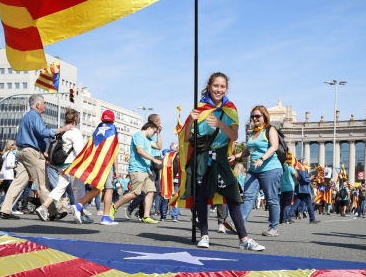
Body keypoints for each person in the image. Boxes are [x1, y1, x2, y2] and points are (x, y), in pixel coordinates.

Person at [176, 72, 264, 251]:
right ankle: (205, 235)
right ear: (209, 86)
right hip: (203, 159)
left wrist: (220, 124)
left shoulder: (231, 109)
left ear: (226, 88)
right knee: (201, 198)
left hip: (222, 159)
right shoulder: (200, 108)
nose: (219, 89)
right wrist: (190, 122)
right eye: (215, 86)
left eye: (222, 86)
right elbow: (186, 139)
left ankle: (244, 239)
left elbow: (234, 135)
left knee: (233, 197)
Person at [0, 94, 73, 220]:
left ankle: (5, 210)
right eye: (44, 103)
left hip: (23, 151)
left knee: (18, 182)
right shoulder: (35, 116)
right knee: (43, 182)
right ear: (38, 105)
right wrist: (62, 129)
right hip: (32, 153)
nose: (45, 105)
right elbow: (42, 132)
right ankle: (51, 212)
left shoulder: (27, 116)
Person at [235, 105, 283, 237]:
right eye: (252, 116)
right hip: (254, 170)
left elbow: (274, 147)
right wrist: (236, 156)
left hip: (270, 169)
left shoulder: (270, 129)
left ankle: (273, 228)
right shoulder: (253, 132)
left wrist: (262, 158)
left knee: (271, 199)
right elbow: (248, 150)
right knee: (248, 196)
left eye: (258, 116)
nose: (255, 118)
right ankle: (240, 224)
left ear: (264, 116)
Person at [65, 109, 119, 225]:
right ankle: (105, 217)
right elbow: (114, 151)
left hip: (96, 164)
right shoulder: (113, 130)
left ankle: (79, 206)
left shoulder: (97, 130)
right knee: (109, 189)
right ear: (113, 120)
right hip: (106, 164)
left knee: (96, 189)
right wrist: (116, 169)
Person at [35, 108, 85, 222]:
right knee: (79, 189)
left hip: (61, 164)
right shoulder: (75, 132)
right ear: (75, 119)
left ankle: (43, 207)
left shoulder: (62, 131)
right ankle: (80, 213)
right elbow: (79, 151)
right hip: (73, 164)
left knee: (59, 187)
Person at [109, 121, 162, 224]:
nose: (154, 134)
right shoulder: (138, 135)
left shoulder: (148, 139)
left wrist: (159, 133)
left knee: (151, 192)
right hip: (137, 169)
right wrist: (154, 159)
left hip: (147, 169)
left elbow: (159, 146)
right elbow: (140, 151)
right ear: (149, 127)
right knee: (135, 194)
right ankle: (114, 206)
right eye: (154, 131)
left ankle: (146, 216)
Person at [284, 159, 319, 224]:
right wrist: (310, 178)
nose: (308, 165)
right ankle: (312, 219)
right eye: (307, 163)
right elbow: (305, 179)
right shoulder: (303, 170)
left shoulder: (299, 170)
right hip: (304, 190)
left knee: (296, 203)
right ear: (304, 164)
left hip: (299, 189)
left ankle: (288, 217)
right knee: (309, 203)